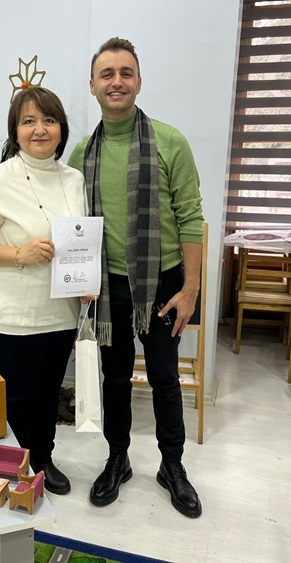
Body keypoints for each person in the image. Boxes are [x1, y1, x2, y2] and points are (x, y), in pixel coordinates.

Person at [68, 37, 204, 518]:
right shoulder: (82, 154)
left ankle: (172, 466)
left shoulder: (170, 142)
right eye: (107, 74)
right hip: (107, 287)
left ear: (139, 82)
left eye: (126, 73)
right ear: (92, 86)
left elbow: (190, 218)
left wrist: (190, 290)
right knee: (116, 378)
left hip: (162, 285)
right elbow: (73, 223)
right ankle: (118, 459)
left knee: (165, 379)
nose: (117, 81)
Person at [0, 87, 87, 495]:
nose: (40, 129)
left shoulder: (74, 180)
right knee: (17, 398)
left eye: (49, 120)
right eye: (28, 121)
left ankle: (44, 459)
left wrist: (86, 280)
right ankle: (20, 466)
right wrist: (20, 253)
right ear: (15, 131)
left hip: (60, 312)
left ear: (61, 128)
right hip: (12, 314)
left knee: (48, 394)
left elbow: (79, 239)